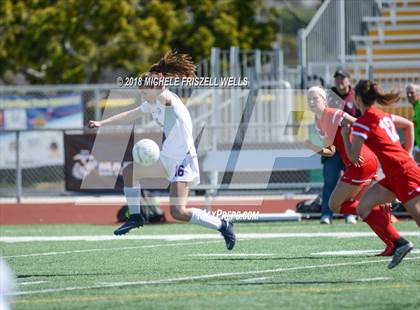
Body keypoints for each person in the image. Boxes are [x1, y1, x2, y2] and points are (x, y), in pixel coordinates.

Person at [89, 51, 236, 250]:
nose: (143, 95)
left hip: (183, 161)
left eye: (144, 92)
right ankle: (136, 216)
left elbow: (162, 93)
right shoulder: (152, 103)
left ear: (157, 88)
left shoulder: (166, 99)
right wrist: (101, 122)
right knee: (129, 172)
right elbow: (128, 115)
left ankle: (223, 225)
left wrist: (158, 83)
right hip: (167, 158)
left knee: (178, 212)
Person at [305, 86, 403, 256]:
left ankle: (383, 218)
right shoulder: (318, 122)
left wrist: (356, 145)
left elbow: (358, 123)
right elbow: (331, 151)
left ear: (324, 101)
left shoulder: (333, 113)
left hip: (360, 161)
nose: (312, 102)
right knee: (361, 209)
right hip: (358, 162)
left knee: (334, 205)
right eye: (309, 99)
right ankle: (392, 243)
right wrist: (313, 147)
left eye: (315, 98)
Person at [341, 79, 419, 269]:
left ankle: (399, 243)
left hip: (404, 173)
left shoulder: (362, 123)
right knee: (363, 207)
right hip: (395, 175)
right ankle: (400, 243)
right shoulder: (384, 116)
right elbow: (408, 125)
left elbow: (353, 157)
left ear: (358, 99)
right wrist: (407, 152)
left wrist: (345, 134)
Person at [319, 69, 359, 224]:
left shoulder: (356, 96)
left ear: (349, 80)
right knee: (329, 181)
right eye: (337, 78)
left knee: (350, 183)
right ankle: (326, 214)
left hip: (350, 146)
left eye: (343, 78)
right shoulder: (328, 96)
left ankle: (349, 213)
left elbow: (362, 120)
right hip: (332, 148)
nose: (340, 81)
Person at [406, 84, 420, 162]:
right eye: (407, 93)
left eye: (412, 92)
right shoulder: (416, 107)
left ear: (418, 93)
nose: (409, 95)